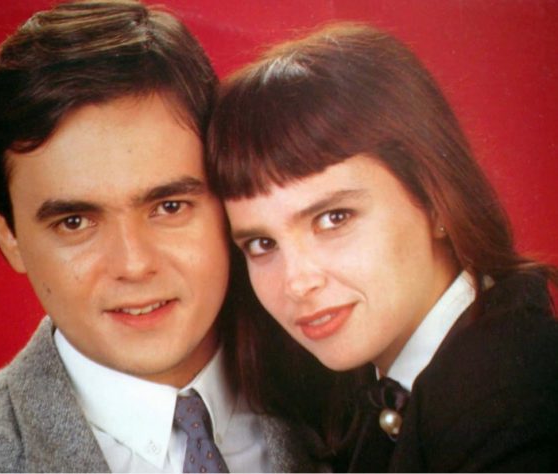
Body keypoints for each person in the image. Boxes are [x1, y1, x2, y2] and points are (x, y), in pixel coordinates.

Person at [0, 2, 320, 472]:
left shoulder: (348, 405)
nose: (134, 265)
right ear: (8, 234)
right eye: (75, 222)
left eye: (169, 207)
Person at [206, 23, 558, 472]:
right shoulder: (390, 391)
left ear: (436, 199)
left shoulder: (516, 400)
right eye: (261, 243)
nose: (297, 282)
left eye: (334, 218)